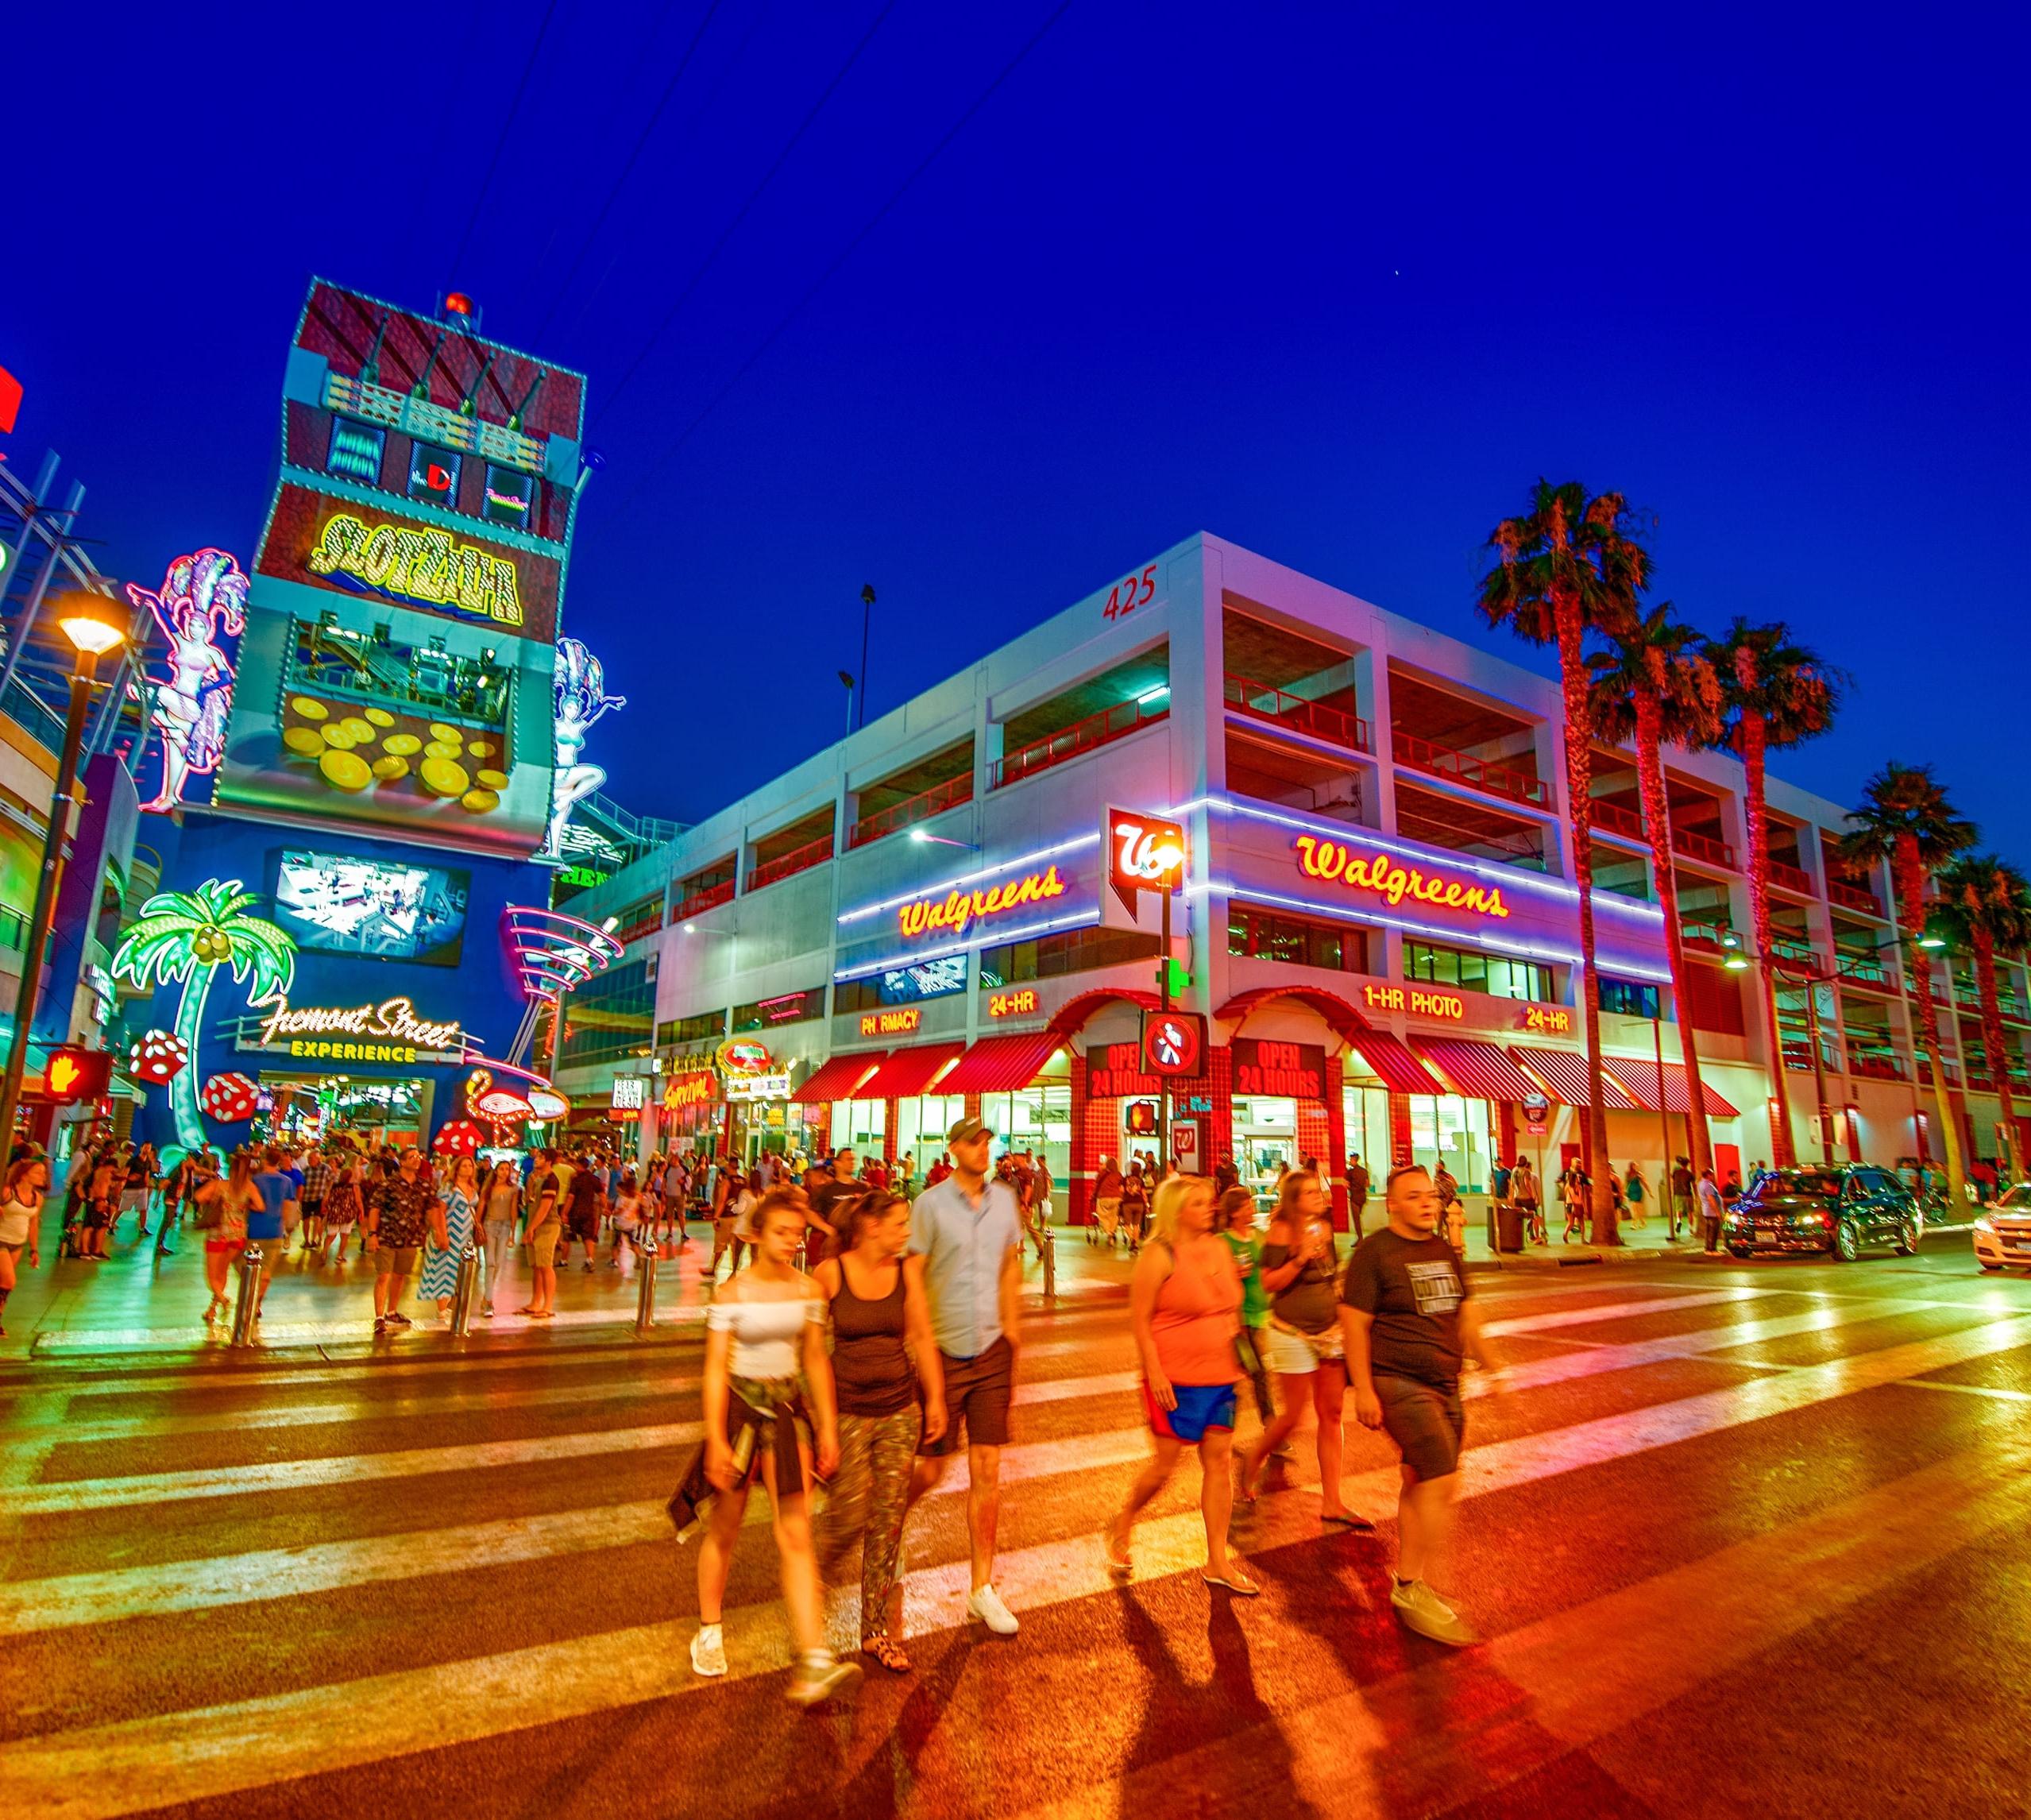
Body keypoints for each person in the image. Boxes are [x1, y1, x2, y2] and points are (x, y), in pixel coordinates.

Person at [680, 1189, 859, 1706]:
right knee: (725, 1528)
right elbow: (715, 1369)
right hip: (740, 1415)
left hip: (786, 1415)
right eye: (781, 1232)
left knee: (796, 1535)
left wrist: (827, 1429)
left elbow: (815, 1360)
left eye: (797, 1233)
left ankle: (813, 1657)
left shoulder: (808, 1290)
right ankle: (708, 1628)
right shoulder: (731, 1294)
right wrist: (715, 1438)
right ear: (756, 1234)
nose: (790, 1241)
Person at [1342, 1164, 1494, 1647]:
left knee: (1417, 1477)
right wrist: (1363, 1389)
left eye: (1431, 1195)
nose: (1428, 1203)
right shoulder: (1374, 1253)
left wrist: (1493, 1365)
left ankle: (1410, 1583)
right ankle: (1421, 1583)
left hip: (1445, 1382)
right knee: (1441, 1476)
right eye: (1414, 1196)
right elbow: (1354, 1325)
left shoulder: (1443, 1248)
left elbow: (1465, 1311)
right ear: (1391, 1204)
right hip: (1397, 1380)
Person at [813, 1188, 947, 1673]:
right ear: (872, 1227)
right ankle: (813, 1577)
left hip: (898, 1410)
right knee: (849, 1514)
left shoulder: (907, 1272)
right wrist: (824, 1425)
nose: (907, 1232)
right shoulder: (830, 1274)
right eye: (899, 1223)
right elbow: (812, 1354)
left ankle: (874, 1631)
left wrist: (935, 1398)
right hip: (848, 1412)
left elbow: (922, 1336)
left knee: (888, 1520)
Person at [1104, 1173, 1257, 1592]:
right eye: (1198, 1203)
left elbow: (1232, 1306)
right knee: (1164, 1468)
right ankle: (1124, 1520)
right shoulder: (1159, 1254)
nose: (1210, 1208)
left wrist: (1240, 1348)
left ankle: (1217, 1561)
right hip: (1174, 1380)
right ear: (1176, 1210)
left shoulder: (1220, 1247)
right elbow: (1140, 1321)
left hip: (1221, 1375)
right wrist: (1154, 1372)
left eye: (1210, 1201)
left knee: (1219, 1462)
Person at [903, 1115, 1024, 1637]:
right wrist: (920, 1342)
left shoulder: (1006, 1201)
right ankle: (891, 1523)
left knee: (988, 1468)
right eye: (973, 1142)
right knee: (930, 1469)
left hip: (992, 1348)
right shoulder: (929, 1205)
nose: (983, 1148)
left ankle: (981, 1587)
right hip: (944, 1351)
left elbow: (1011, 1263)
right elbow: (912, 1276)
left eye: (986, 1141)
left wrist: (1012, 1329)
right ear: (953, 1149)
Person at [1234, 1169, 1370, 1530]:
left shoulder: (1324, 1227)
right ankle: (1253, 1458)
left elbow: (1331, 1275)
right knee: (1294, 1416)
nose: (1319, 1196)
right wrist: (1298, 1259)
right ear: (1294, 1200)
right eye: (1309, 1192)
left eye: (1318, 1190)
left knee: (1333, 1413)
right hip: (1290, 1331)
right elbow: (1268, 1283)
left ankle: (1333, 1501)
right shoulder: (1282, 1231)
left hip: (1329, 1331)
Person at [1219, 1185, 1277, 1432]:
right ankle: (1270, 1426)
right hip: (1240, 1319)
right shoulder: (1222, 1242)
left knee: (1251, 1373)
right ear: (1234, 1213)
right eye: (1246, 1206)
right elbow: (1213, 1276)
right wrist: (1230, 1273)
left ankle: (1221, 1426)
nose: (1251, 1209)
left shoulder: (1259, 1236)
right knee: (1257, 1373)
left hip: (1262, 1316)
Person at [367, 1150, 436, 1335]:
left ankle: (392, 1312)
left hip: (410, 1239)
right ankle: (379, 1317)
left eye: (418, 1157)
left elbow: (431, 1209)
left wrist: (436, 1232)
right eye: (412, 1157)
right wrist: (372, 1234)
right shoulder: (389, 1184)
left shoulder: (423, 1185)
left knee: (400, 1275)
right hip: (387, 1236)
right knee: (384, 1275)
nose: (416, 1160)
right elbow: (375, 1208)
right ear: (402, 1162)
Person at [194, 1149, 262, 1327]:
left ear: (231, 1169)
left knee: (212, 1276)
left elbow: (198, 1197)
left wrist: (214, 1201)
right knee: (223, 1272)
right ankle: (212, 1308)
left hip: (218, 1235)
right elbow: (260, 1206)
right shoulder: (250, 1187)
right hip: (238, 1235)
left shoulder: (219, 1185)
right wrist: (243, 1207)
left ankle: (223, 1299)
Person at [419, 1153, 479, 1321]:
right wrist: (442, 1233)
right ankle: (442, 1309)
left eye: (470, 1166)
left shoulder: (473, 1187)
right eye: (464, 1166)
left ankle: (451, 1305)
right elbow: (440, 1211)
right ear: (457, 1169)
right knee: (444, 1269)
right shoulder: (448, 1188)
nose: (468, 1169)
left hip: (466, 1234)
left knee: (459, 1270)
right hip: (450, 1231)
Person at [248, 1146, 299, 1320]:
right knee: (266, 1271)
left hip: (254, 1230)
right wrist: (286, 1229)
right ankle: (258, 1302)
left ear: (264, 1160)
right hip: (275, 1231)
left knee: (250, 1267)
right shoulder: (287, 1182)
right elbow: (288, 1207)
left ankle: (250, 1298)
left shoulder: (255, 1180)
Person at [0, 1155, 49, 1336]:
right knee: (9, 1281)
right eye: (38, 1172)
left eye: (43, 1173)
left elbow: (34, 1224)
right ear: (24, 1174)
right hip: (1, 1241)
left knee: (3, 1285)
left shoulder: (38, 1198)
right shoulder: (7, 1192)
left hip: (18, 1244)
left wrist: (34, 1250)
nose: (43, 1176)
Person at [520, 1151, 565, 1319]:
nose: (536, 1160)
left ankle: (548, 1306)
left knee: (545, 1265)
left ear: (548, 1161)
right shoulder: (538, 1179)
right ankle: (535, 1302)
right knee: (536, 1266)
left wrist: (531, 1228)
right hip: (535, 1225)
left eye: (540, 1158)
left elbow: (545, 1208)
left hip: (547, 1226)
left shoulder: (551, 1180)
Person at [477, 1157, 522, 1316]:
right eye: (502, 1169)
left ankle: (487, 1296)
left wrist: (513, 1233)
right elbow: (481, 1205)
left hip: (505, 1226)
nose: (505, 1172)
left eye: (507, 1169)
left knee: (498, 1263)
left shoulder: (514, 1189)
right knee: (490, 1263)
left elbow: (513, 1210)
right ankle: (489, 1302)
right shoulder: (488, 1188)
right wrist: (478, 1224)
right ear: (496, 1171)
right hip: (489, 1225)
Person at [322, 1152, 364, 1264]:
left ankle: (325, 1251)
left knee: (331, 1235)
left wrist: (324, 1207)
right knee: (345, 1236)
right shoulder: (354, 1187)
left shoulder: (334, 1185)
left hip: (334, 1213)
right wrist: (361, 1212)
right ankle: (340, 1256)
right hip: (348, 1213)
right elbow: (358, 1201)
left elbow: (326, 1197)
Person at [298, 1148, 334, 1255]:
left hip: (320, 1198)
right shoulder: (306, 1170)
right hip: (307, 1198)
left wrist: (327, 1192)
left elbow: (331, 1180)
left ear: (318, 1159)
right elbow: (301, 1184)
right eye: (309, 1158)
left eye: (312, 1158)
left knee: (317, 1219)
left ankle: (314, 1239)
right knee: (306, 1220)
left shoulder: (325, 1168)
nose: (310, 1160)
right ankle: (306, 1240)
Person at [1092, 1155, 1125, 1249]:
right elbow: (1122, 1189)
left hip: (1103, 1197)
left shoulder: (1102, 1173)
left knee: (1103, 1215)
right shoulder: (1119, 1175)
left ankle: (1109, 1233)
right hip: (1117, 1198)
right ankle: (1112, 1231)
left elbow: (1096, 1184)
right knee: (1115, 1216)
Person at [1512, 1156, 1542, 1245]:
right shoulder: (1526, 1172)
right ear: (1525, 1163)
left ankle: (1519, 1238)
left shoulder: (1514, 1170)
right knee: (1534, 1216)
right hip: (1527, 1198)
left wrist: (1512, 1196)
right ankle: (1537, 1237)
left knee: (1519, 1218)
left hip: (1517, 1198)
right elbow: (1527, 1184)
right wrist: (1533, 1195)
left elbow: (1512, 1185)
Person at [1121, 1162, 1149, 1253]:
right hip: (1139, 1204)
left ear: (1131, 1169)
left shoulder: (1125, 1179)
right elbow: (1144, 1194)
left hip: (1128, 1203)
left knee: (1127, 1224)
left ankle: (1132, 1239)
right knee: (1136, 1225)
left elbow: (1121, 1190)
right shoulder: (1141, 1181)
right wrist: (1147, 1205)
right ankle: (1135, 1245)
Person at [1697, 1166, 1725, 1253]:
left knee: (1709, 1230)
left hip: (1706, 1210)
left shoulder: (1701, 1183)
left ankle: (1708, 1248)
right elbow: (1711, 1199)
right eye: (1712, 1174)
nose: (1713, 1176)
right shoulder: (1708, 1185)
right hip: (1712, 1211)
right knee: (1713, 1231)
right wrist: (1717, 1212)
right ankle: (1712, 1249)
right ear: (1708, 1175)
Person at [1670, 1156, 1696, 1241]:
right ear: (1687, 1164)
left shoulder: (1676, 1172)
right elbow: (1693, 1185)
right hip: (1688, 1194)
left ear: (1680, 1164)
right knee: (1690, 1212)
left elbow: (1672, 1182)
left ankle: (1679, 1222)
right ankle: (1691, 1229)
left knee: (1679, 1210)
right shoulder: (1689, 1174)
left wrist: (1673, 1191)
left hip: (1677, 1194)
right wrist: (1695, 1195)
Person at [1346, 1152, 1371, 1242]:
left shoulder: (1350, 1172)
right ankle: (1360, 1238)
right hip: (1363, 1197)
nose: (1350, 1161)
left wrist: (1352, 1188)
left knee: (1356, 1220)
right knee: (1358, 1218)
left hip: (1355, 1197)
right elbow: (1368, 1184)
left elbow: (1346, 1184)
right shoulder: (1364, 1171)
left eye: (1350, 1159)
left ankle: (1360, 1239)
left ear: (1354, 1160)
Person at [1624, 1161, 1648, 1227]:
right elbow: (1626, 1182)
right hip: (1631, 1191)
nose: (1636, 1167)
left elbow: (1645, 1183)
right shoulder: (1628, 1174)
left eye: (1636, 1166)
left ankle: (1634, 1224)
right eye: (1634, 1166)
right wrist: (1624, 1190)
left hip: (1638, 1191)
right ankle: (1643, 1222)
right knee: (1635, 1208)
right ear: (1631, 1166)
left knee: (1636, 1208)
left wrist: (1649, 1192)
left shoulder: (1639, 1174)